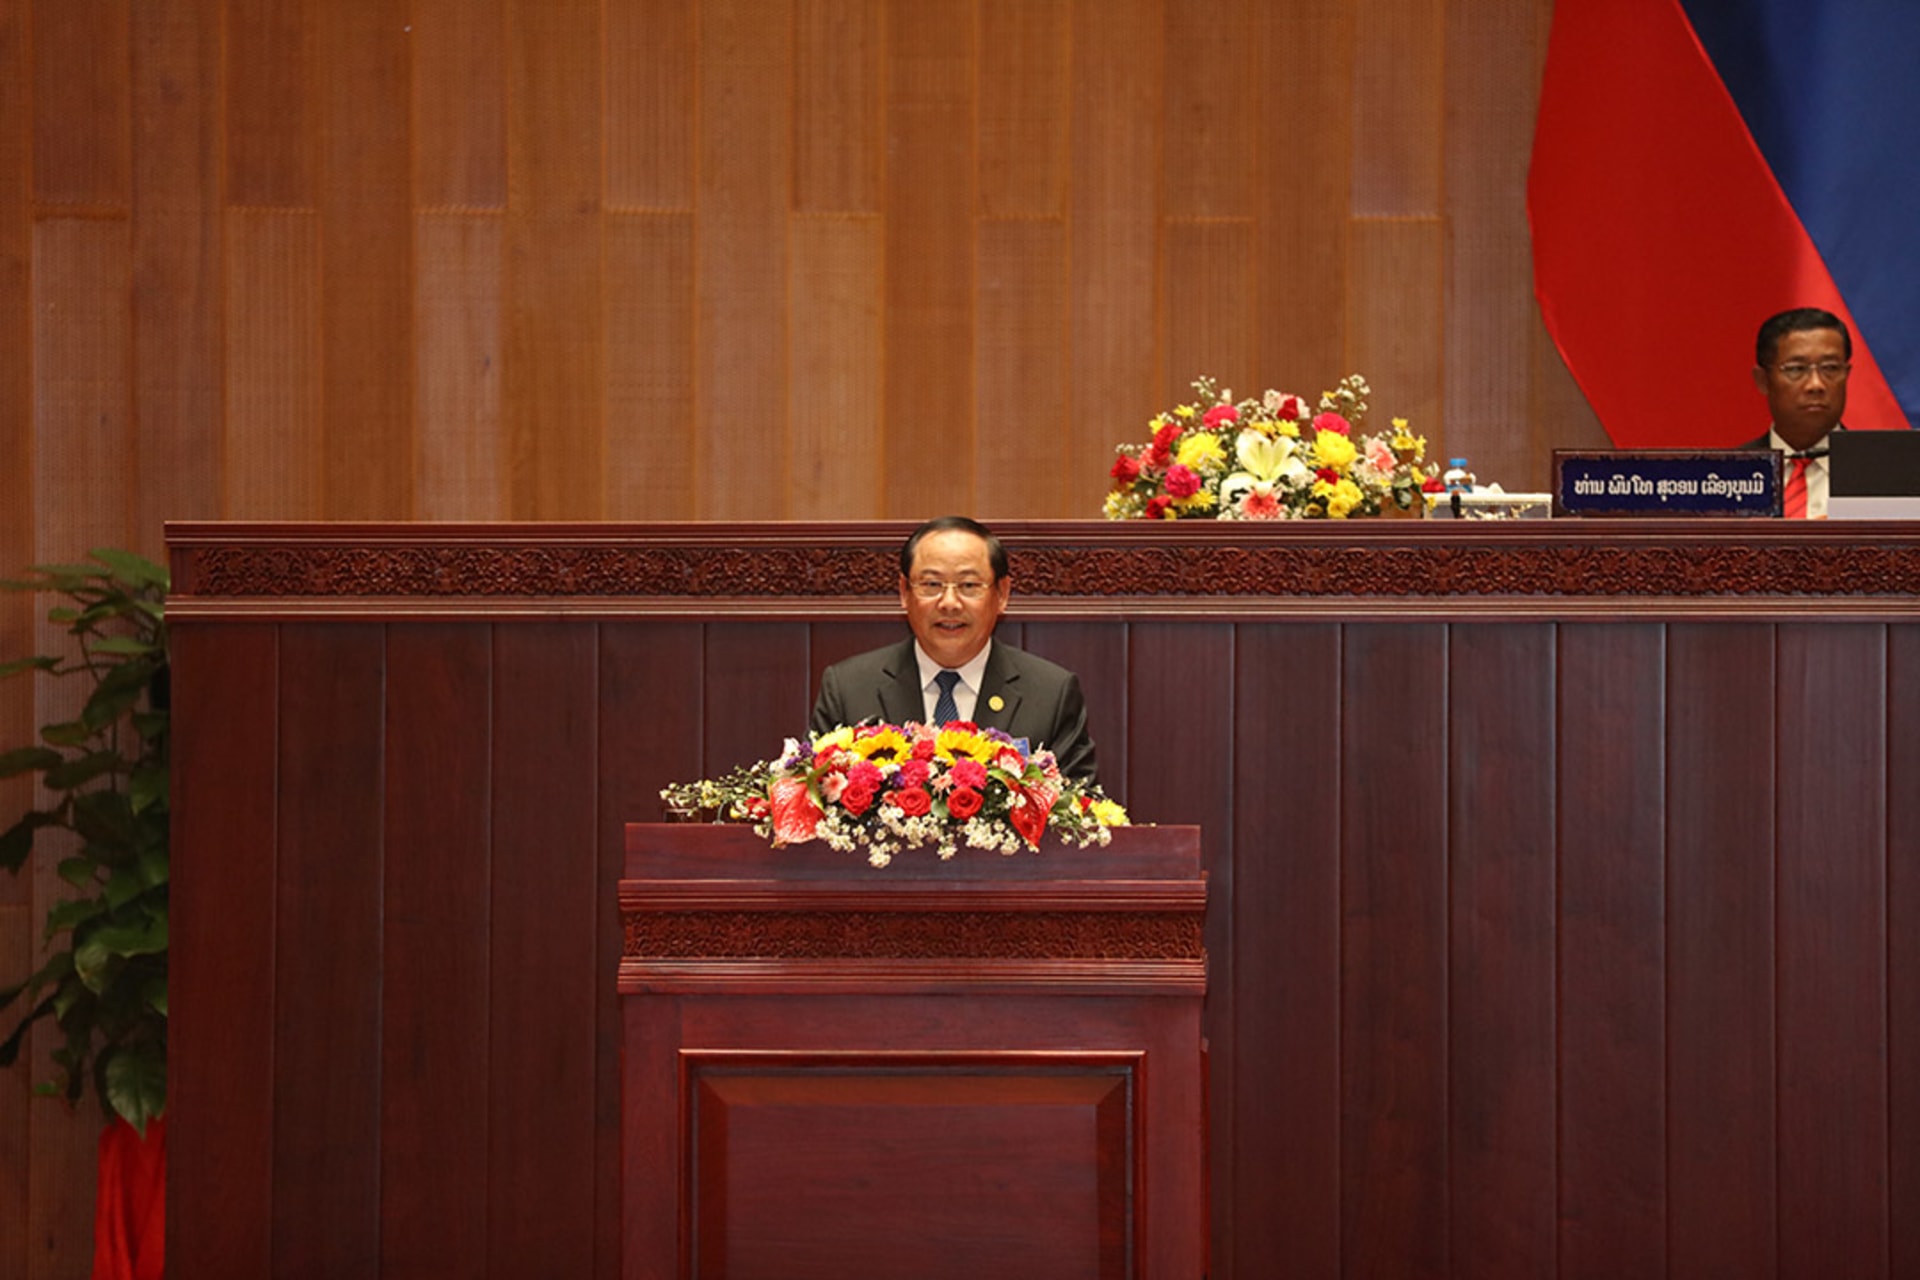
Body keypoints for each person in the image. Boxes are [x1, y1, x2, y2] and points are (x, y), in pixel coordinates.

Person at [810, 516, 1099, 784]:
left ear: (1002, 594)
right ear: (904, 592)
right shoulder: (849, 689)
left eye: (969, 585)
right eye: (932, 584)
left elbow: (1082, 813)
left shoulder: (1051, 694)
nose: (949, 602)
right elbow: (812, 800)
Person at [1741, 307, 1851, 518]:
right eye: (1796, 369)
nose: (1816, 384)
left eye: (1830, 368)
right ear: (1763, 380)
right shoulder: (1730, 476)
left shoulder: (1888, 475)